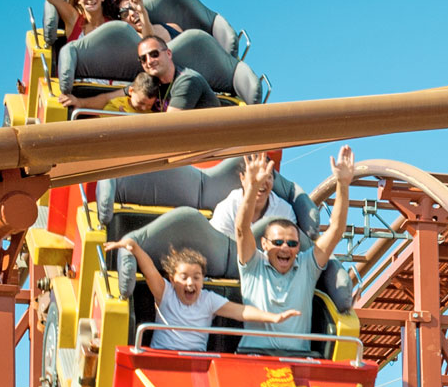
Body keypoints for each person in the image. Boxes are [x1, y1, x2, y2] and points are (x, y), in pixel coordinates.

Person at [232, 145, 357, 356]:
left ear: (298, 247)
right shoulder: (253, 265)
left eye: (292, 244)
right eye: (278, 242)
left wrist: (343, 185)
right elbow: (242, 229)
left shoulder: (306, 266)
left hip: (298, 360)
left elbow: (336, 231)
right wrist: (252, 188)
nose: (285, 248)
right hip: (253, 356)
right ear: (264, 244)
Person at [103, 241, 300, 351]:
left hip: (195, 362)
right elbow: (150, 271)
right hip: (161, 357)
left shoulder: (208, 300)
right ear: (172, 279)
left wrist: (274, 317)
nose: (190, 283)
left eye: (196, 278)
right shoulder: (166, 293)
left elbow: (241, 311)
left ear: (203, 280)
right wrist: (134, 248)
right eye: (184, 277)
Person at [212, 152, 303, 237]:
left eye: (268, 176)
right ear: (242, 178)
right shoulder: (227, 208)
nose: (261, 181)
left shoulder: (284, 211)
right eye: (256, 175)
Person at [138, 36, 219, 110]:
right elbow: (128, 91)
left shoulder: (188, 80)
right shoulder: (151, 81)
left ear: (169, 54)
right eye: (143, 58)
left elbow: (171, 122)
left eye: (154, 54)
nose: (149, 61)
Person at [113, 0, 183, 45]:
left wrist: (142, 11)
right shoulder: (135, 42)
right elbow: (150, 44)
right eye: (125, 14)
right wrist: (142, 13)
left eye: (133, 7)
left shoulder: (172, 27)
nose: (132, 14)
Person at [65, 72, 167, 115]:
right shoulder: (116, 107)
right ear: (130, 91)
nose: (144, 108)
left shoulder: (150, 112)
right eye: (141, 103)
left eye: (149, 105)